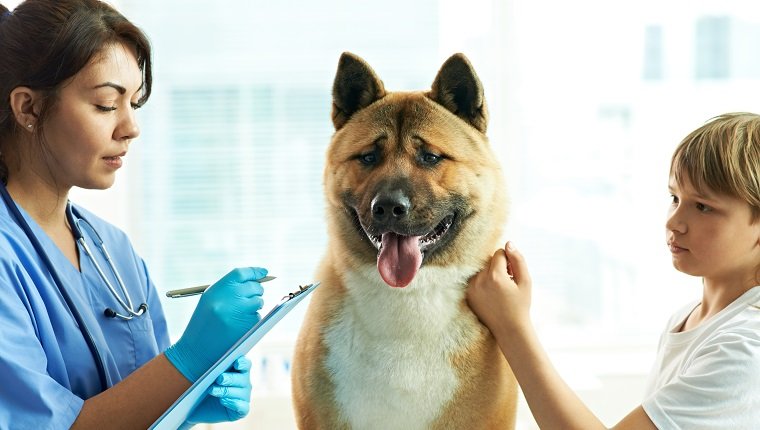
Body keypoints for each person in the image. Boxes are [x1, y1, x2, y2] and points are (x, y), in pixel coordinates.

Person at [0, 1, 267, 428]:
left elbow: (144, 399)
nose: (130, 127)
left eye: (135, 104)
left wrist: (189, 395)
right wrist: (189, 358)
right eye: (107, 104)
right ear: (29, 108)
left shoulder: (114, 250)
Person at [467, 112, 760, 429]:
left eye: (703, 206)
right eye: (675, 198)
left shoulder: (745, 349)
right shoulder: (690, 318)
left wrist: (512, 326)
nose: (674, 222)